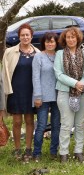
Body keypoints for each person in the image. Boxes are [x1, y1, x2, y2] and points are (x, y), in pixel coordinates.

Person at [2, 24, 39, 161]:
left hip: (31, 92)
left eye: (27, 35)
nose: (25, 37)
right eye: (22, 35)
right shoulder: (10, 52)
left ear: (31, 36)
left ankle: (28, 149)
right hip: (15, 91)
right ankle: (17, 149)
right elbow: (4, 74)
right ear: (19, 36)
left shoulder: (38, 53)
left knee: (30, 120)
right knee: (17, 122)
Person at [54, 27, 84, 163]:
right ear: (64, 39)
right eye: (68, 37)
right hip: (65, 92)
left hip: (83, 93)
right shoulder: (59, 54)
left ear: (78, 39)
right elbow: (58, 74)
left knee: (80, 124)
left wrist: (82, 83)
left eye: (73, 37)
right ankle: (63, 153)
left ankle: (78, 151)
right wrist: (75, 83)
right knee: (66, 124)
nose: (70, 39)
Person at [32, 32, 60, 161]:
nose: (50, 44)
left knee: (56, 125)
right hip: (42, 97)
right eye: (48, 42)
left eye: (52, 41)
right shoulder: (38, 57)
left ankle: (53, 151)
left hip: (58, 96)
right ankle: (36, 152)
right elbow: (35, 77)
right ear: (44, 43)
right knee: (41, 125)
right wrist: (37, 96)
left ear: (56, 43)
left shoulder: (59, 56)